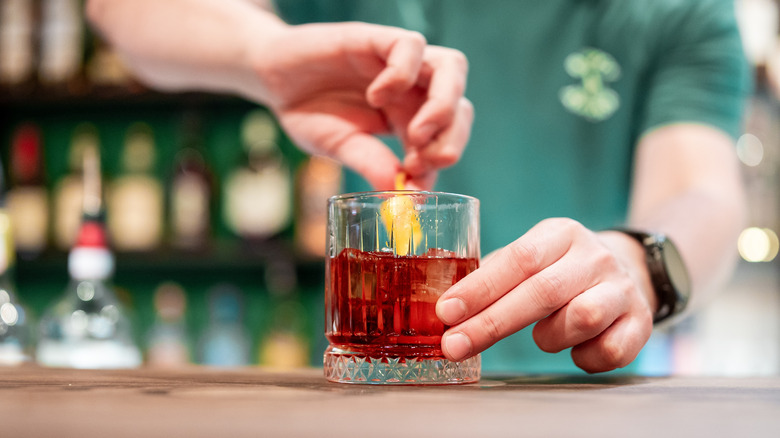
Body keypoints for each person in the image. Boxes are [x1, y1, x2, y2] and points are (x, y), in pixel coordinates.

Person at [87, 0, 752, 374]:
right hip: (379, 393)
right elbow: (124, 12)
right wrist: (264, 57)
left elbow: (705, 193)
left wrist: (639, 259)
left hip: (587, 395)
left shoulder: (679, 10)